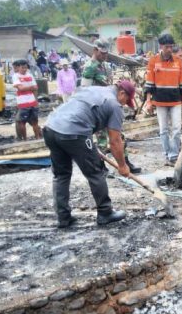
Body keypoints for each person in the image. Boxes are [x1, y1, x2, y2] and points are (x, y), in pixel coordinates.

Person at [43, 81, 137, 228]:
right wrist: (122, 165)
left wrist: (88, 142)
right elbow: (115, 141)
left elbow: (81, 111)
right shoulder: (114, 104)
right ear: (122, 93)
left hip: (51, 127)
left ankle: (63, 217)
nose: (125, 105)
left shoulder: (94, 89)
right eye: (126, 101)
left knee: (61, 175)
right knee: (95, 173)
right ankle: (105, 213)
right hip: (73, 132)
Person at [145, 34, 182, 165]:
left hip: (176, 100)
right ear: (161, 47)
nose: (169, 49)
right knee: (163, 129)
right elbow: (149, 83)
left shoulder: (178, 62)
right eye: (167, 47)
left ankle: (173, 155)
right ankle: (167, 153)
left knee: (176, 129)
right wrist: (148, 101)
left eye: (171, 46)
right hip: (159, 101)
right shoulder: (153, 61)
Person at [11, 60, 42, 140]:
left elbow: (35, 88)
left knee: (32, 121)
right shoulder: (16, 76)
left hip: (29, 102)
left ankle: (36, 137)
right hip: (23, 102)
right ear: (19, 67)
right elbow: (22, 88)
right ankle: (24, 138)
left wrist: (36, 101)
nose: (24, 69)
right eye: (22, 67)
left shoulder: (29, 75)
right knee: (22, 122)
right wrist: (30, 88)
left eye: (25, 67)